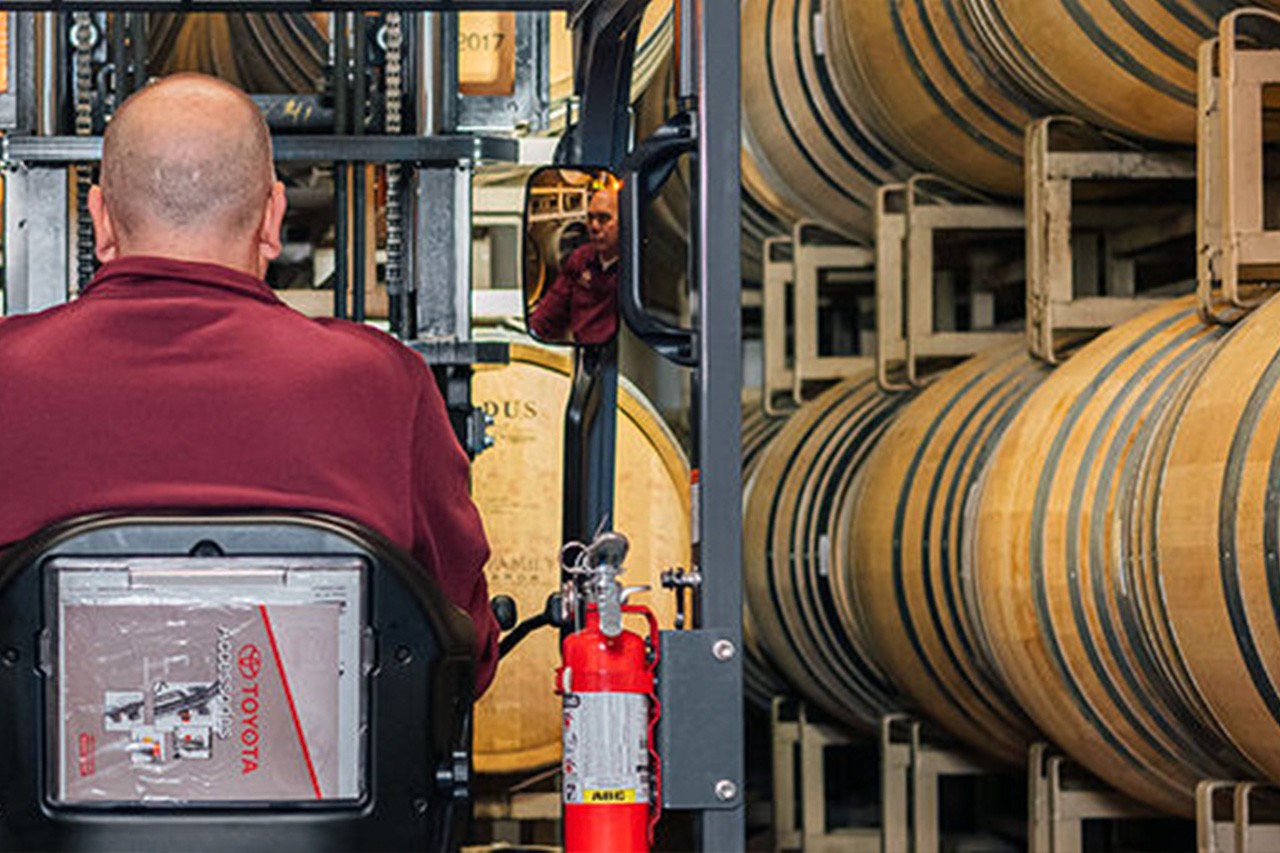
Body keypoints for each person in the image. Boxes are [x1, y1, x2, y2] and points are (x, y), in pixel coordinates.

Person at [0, 73, 499, 693]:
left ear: (99, 218)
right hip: (333, 791)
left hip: (20, 790)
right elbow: (464, 646)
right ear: (273, 217)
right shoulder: (384, 384)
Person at [528, 181, 620, 345]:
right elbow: (551, 309)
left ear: (625, 222)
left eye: (604, 218)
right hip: (582, 352)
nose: (594, 226)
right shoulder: (581, 258)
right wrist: (530, 335)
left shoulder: (635, 267)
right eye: (590, 218)